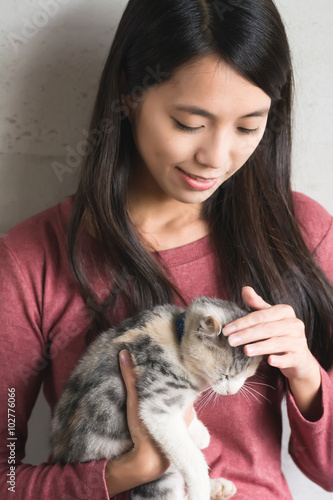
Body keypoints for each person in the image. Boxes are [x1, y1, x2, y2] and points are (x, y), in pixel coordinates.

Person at [0, 0, 332, 498]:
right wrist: (122, 473)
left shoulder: (302, 232)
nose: (216, 158)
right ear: (129, 95)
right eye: (188, 123)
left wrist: (307, 376)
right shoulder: (32, 260)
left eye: (247, 127)